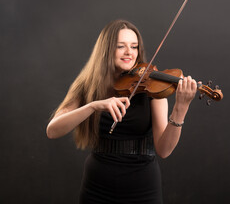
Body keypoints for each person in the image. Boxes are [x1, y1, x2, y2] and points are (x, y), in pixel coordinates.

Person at [46, 19, 198, 203]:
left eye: (134, 47)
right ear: (107, 49)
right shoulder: (87, 84)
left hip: (142, 184)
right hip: (98, 184)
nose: (129, 53)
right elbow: (53, 130)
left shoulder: (152, 87)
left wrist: (180, 108)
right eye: (121, 46)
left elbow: (164, 150)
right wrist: (94, 105)